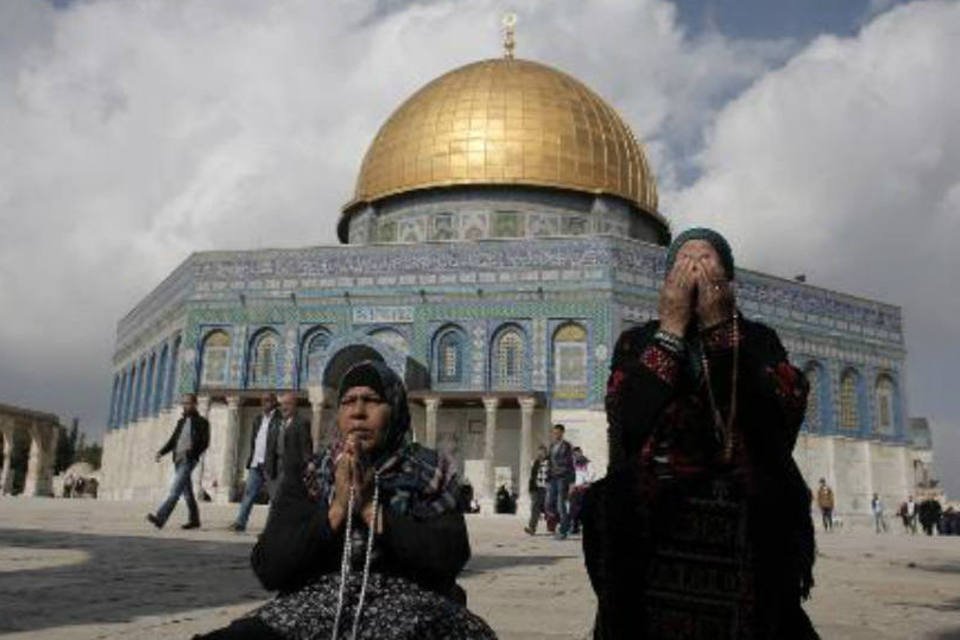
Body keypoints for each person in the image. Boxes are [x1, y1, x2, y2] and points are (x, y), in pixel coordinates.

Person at [582, 228, 818, 639]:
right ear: (666, 280)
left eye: (706, 259)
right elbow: (629, 425)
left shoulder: (758, 340)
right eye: (683, 261)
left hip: (742, 521)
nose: (694, 268)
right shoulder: (637, 340)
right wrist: (671, 330)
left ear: (728, 280)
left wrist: (720, 331)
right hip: (654, 521)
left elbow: (771, 425)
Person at [195, 360, 495, 639]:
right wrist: (337, 508)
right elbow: (271, 567)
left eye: (372, 401)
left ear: (396, 409)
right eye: (348, 401)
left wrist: (369, 509)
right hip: (316, 608)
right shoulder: (311, 474)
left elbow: (448, 558)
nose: (358, 412)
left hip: (412, 609)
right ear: (338, 414)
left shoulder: (430, 472)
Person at [147, 394, 210, 530]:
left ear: (194, 404)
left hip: (188, 459)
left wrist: (193, 453)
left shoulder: (202, 422)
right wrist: (161, 452)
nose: (185, 406)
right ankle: (195, 520)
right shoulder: (181, 422)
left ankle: (160, 517)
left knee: (175, 491)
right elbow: (173, 440)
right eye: (184, 403)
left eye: (188, 403)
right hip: (178, 459)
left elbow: (205, 442)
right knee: (187, 493)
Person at [230, 393, 283, 532]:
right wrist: (251, 458)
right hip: (256, 462)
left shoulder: (279, 420)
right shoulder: (258, 419)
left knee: (274, 496)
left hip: (270, 463)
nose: (265, 404)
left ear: (274, 402)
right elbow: (255, 441)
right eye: (263, 401)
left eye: (268, 401)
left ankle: (273, 527)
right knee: (249, 493)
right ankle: (240, 522)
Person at [274, 392, 313, 496]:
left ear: (294, 405)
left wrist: (309, 462)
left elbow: (306, 443)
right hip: (277, 465)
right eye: (282, 404)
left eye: (287, 404)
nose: (284, 407)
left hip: (293, 466)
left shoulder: (301, 422)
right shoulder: (278, 422)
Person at [546, 424, 575, 540]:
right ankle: (564, 522)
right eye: (554, 432)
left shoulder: (567, 446)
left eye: (558, 432)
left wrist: (572, 481)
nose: (556, 434)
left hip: (563, 477)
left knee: (560, 504)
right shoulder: (552, 445)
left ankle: (563, 530)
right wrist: (548, 478)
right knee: (548, 503)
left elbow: (570, 464)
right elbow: (550, 462)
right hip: (553, 477)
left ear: (562, 433)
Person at [568, 447, 594, 535]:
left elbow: (592, 474)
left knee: (583, 508)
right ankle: (575, 527)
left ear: (581, 453)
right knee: (573, 508)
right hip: (576, 488)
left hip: (584, 488)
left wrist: (586, 483)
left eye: (577, 454)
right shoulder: (574, 465)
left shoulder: (588, 463)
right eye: (574, 455)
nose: (576, 456)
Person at [524, 445, 550, 535]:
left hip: (547, 488)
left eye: (542, 452)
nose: (540, 454)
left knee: (549, 508)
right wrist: (531, 489)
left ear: (545, 453)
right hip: (537, 488)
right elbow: (533, 476)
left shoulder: (550, 462)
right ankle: (532, 528)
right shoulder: (536, 462)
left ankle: (556, 526)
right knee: (535, 508)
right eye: (539, 452)